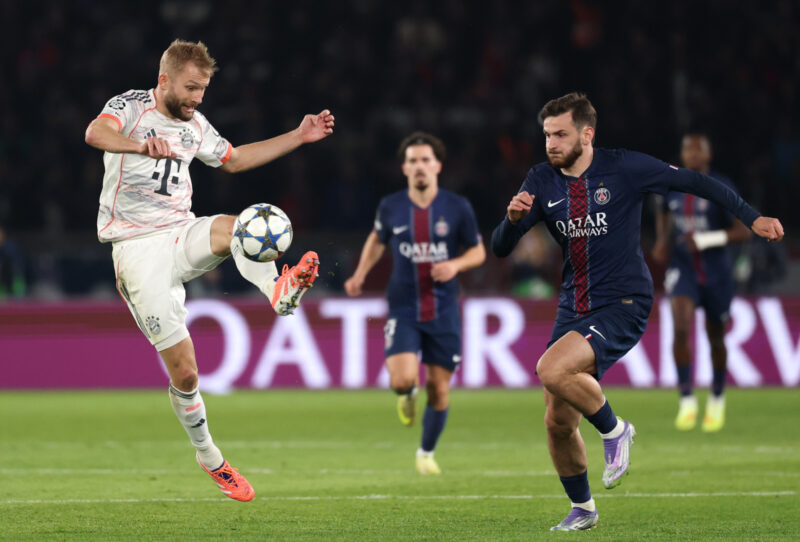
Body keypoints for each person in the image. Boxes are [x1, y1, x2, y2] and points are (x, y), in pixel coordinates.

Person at [491, 92, 783, 531]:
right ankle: (583, 509)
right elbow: (500, 248)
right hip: (574, 305)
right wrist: (512, 222)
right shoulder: (541, 179)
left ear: (586, 135)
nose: (551, 143)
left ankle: (615, 431)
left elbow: (696, 182)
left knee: (551, 368)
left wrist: (751, 217)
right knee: (557, 421)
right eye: (547, 135)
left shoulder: (624, 167)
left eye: (560, 134)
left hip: (623, 301)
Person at [84, 39, 334, 502]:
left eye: (203, 89)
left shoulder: (195, 125)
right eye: (191, 88)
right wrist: (140, 147)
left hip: (180, 232)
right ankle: (210, 457)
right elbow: (96, 133)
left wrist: (298, 136)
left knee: (240, 226)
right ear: (165, 80)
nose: (198, 98)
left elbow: (234, 159)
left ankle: (278, 290)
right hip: (135, 249)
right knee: (186, 374)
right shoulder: (130, 107)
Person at [344, 132, 485, 475]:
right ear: (404, 168)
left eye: (425, 160)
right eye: (413, 161)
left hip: (444, 308)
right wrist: (360, 273)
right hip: (404, 308)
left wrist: (455, 265)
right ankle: (406, 394)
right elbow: (377, 239)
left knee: (438, 389)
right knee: (401, 381)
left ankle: (426, 452)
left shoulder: (457, 207)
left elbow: (478, 251)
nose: (419, 166)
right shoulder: (391, 206)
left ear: (437, 166)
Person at [652, 134, 752, 432]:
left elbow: (743, 231)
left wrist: (707, 239)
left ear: (709, 154)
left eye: (698, 149)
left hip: (717, 272)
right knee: (681, 328)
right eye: (687, 148)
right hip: (683, 268)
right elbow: (663, 211)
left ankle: (717, 398)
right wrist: (662, 240)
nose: (691, 154)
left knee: (716, 338)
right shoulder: (672, 184)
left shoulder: (721, 186)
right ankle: (686, 400)